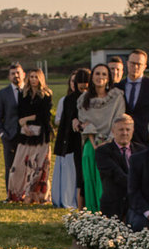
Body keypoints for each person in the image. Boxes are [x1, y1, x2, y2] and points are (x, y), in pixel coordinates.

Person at [75, 64, 126, 211]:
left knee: (105, 181)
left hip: (110, 144)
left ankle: (107, 215)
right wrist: (95, 142)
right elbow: (85, 123)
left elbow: (118, 120)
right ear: (92, 77)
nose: (100, 77)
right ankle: (92, 213)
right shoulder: (83, 99)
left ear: (109, 78)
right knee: (90, 180)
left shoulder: (117, 97)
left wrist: (106, 142)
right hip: (90, 145)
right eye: (97, 74)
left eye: (104, 74)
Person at [7, 68, 54, 204]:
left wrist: (27, 119)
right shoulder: (24, 94)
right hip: (25, 135)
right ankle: (19, 194)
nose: (33, 79)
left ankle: (37, 195)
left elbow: (45, 115)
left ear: (40, 79)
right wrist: (24, 125)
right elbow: (20, 113)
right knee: (19, 166)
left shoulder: (46, 95)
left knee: (39, 167)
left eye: (36, 77)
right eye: (31, 77)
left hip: (41, 135)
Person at [52, 68, 88, 208]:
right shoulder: (68, 100)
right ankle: (77, 204)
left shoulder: (92, 98)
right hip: (73, 142)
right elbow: (64, 124)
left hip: (88, 140)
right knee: (77, 174)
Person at [94, 115, 137, 221]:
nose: (125, 133)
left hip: (136, 205)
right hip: (113, 206)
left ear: (133, 130)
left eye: (128, 129)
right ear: (113, 131)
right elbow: (116, 174)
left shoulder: (142, 151)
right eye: (121, 129)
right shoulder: (102, 152)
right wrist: (138, 186)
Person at [0, 63, 26, 190]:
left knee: (25, 165)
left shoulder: (29, 91)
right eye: (13, 73)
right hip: (9, 135)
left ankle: (24, 192)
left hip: (26, 135)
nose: (16, 76)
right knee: (10, 166)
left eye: (18, 73)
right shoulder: (3, 93)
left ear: (23, 75)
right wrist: (2, 133)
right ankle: (10, 193)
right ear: (9, 76)